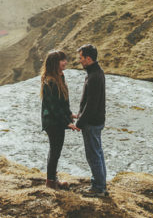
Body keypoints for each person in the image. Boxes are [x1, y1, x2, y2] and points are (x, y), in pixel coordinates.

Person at [40, 49, 79, 189]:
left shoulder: (58, 77)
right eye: (62, 60)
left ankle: (52, 179)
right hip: (52, 122)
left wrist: (70, 114)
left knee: (55, 150)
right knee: (55, 150)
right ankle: (51, 181)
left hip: (55, 121)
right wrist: (67, 122)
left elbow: (63, 102)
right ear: (55, 63)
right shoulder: (50, 82)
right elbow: (54, 107)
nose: (65, 62)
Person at [75, 43, 108, 197]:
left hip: (92, 123)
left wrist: (80, 122)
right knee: (98, 153)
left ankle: (99, 188)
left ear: (88, 58)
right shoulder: (96, 73)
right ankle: (99, 184)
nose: (79, 61)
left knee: (93, 154)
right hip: (96, 121)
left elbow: (91, 104)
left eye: (81, 58)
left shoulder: (94, 76)